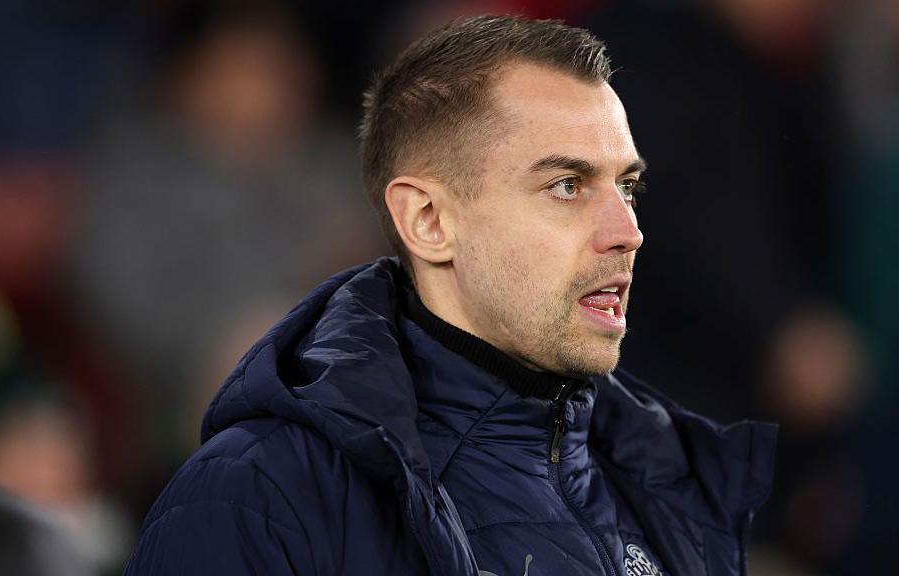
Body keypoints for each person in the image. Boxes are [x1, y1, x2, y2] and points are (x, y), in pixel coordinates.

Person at [124, 15, 776, 575]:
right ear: (429, 221)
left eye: (626, 187)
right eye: (567, 186)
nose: (628, 232)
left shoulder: (673, 495)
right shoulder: (258, 500)